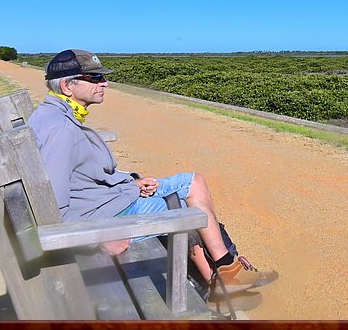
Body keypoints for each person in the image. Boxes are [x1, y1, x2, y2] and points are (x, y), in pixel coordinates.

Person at [27, 49, 278, 299]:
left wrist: (132, 184)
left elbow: (82, 177)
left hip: (110, 200)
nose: (104, 83)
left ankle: (226, 271)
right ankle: (219, 283)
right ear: (67, 86)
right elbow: (54, 210)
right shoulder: (60, 130)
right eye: (94, 78)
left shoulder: (58, 116)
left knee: (194, 182)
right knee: (187, 208)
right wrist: (100, 239)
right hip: (105, 217)